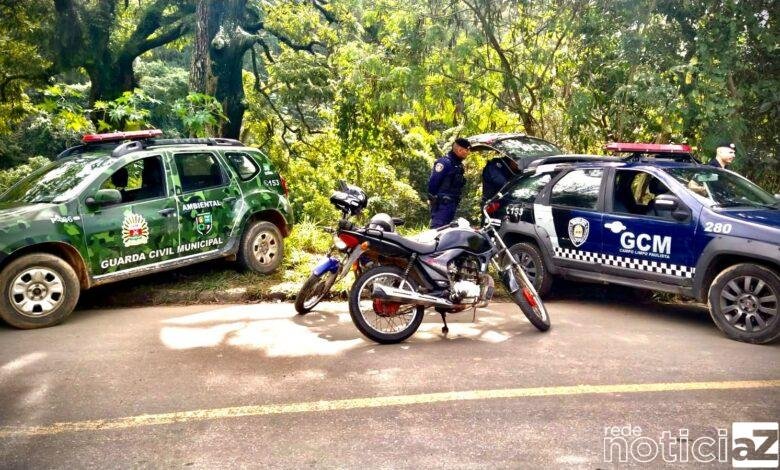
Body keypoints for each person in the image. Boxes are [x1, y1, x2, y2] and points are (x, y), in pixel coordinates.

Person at [427, 138, 470, 228]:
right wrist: (434, 200)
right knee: (437, 231)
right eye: (466, 150)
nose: (468, 153)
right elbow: (433, 182)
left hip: (452, 204)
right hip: (442, 204)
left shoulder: (458, 165)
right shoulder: (445, 162)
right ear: (459, 150)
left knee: (446, 232)